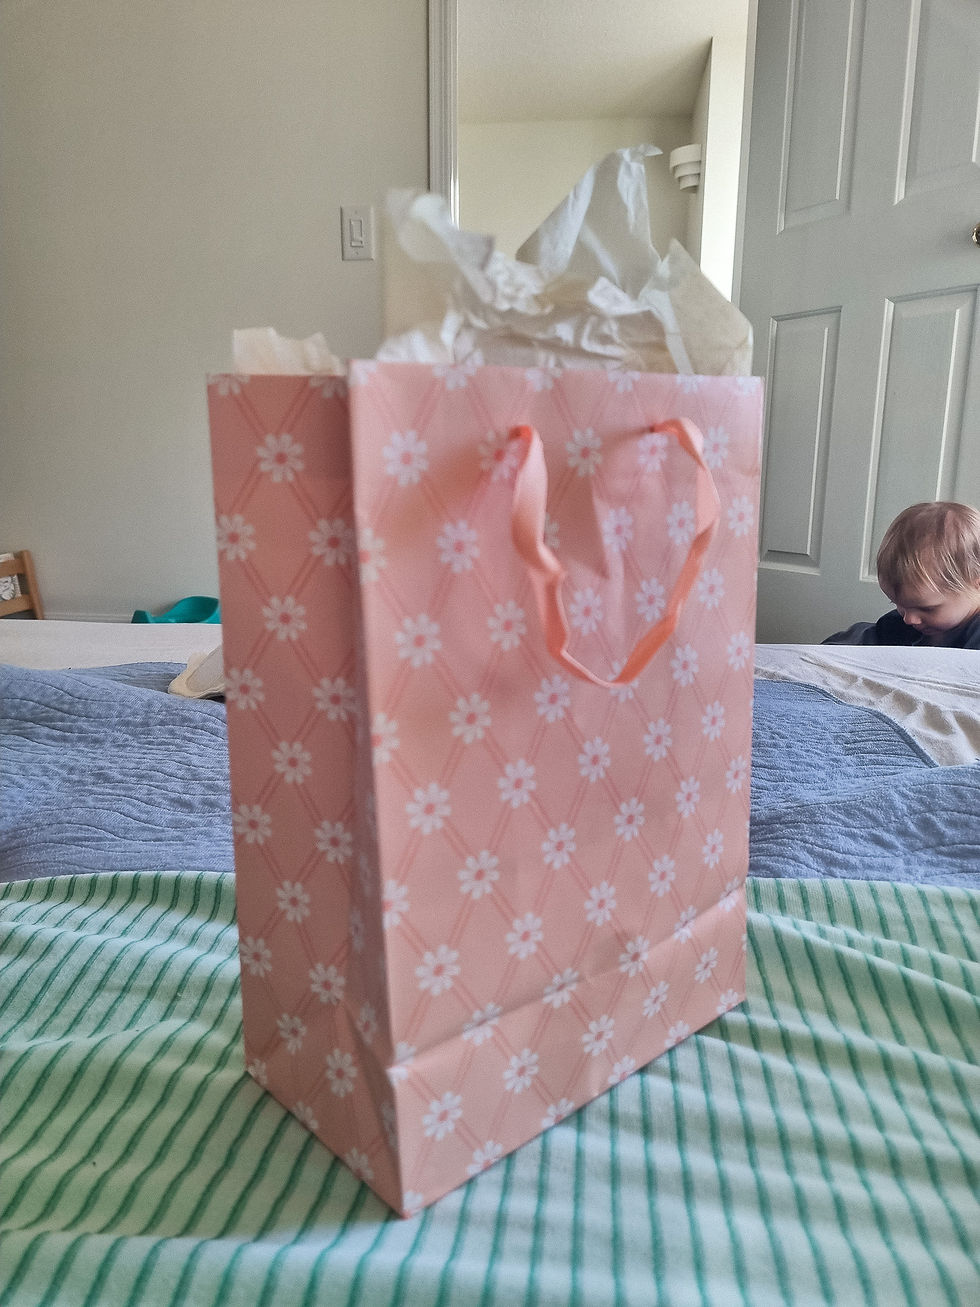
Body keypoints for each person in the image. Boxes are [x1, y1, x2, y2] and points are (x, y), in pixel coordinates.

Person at [824, 501, 980, 648]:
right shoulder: (900, 624)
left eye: (927, 609)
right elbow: (864, 640)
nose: (909, 619)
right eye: (898, 604)